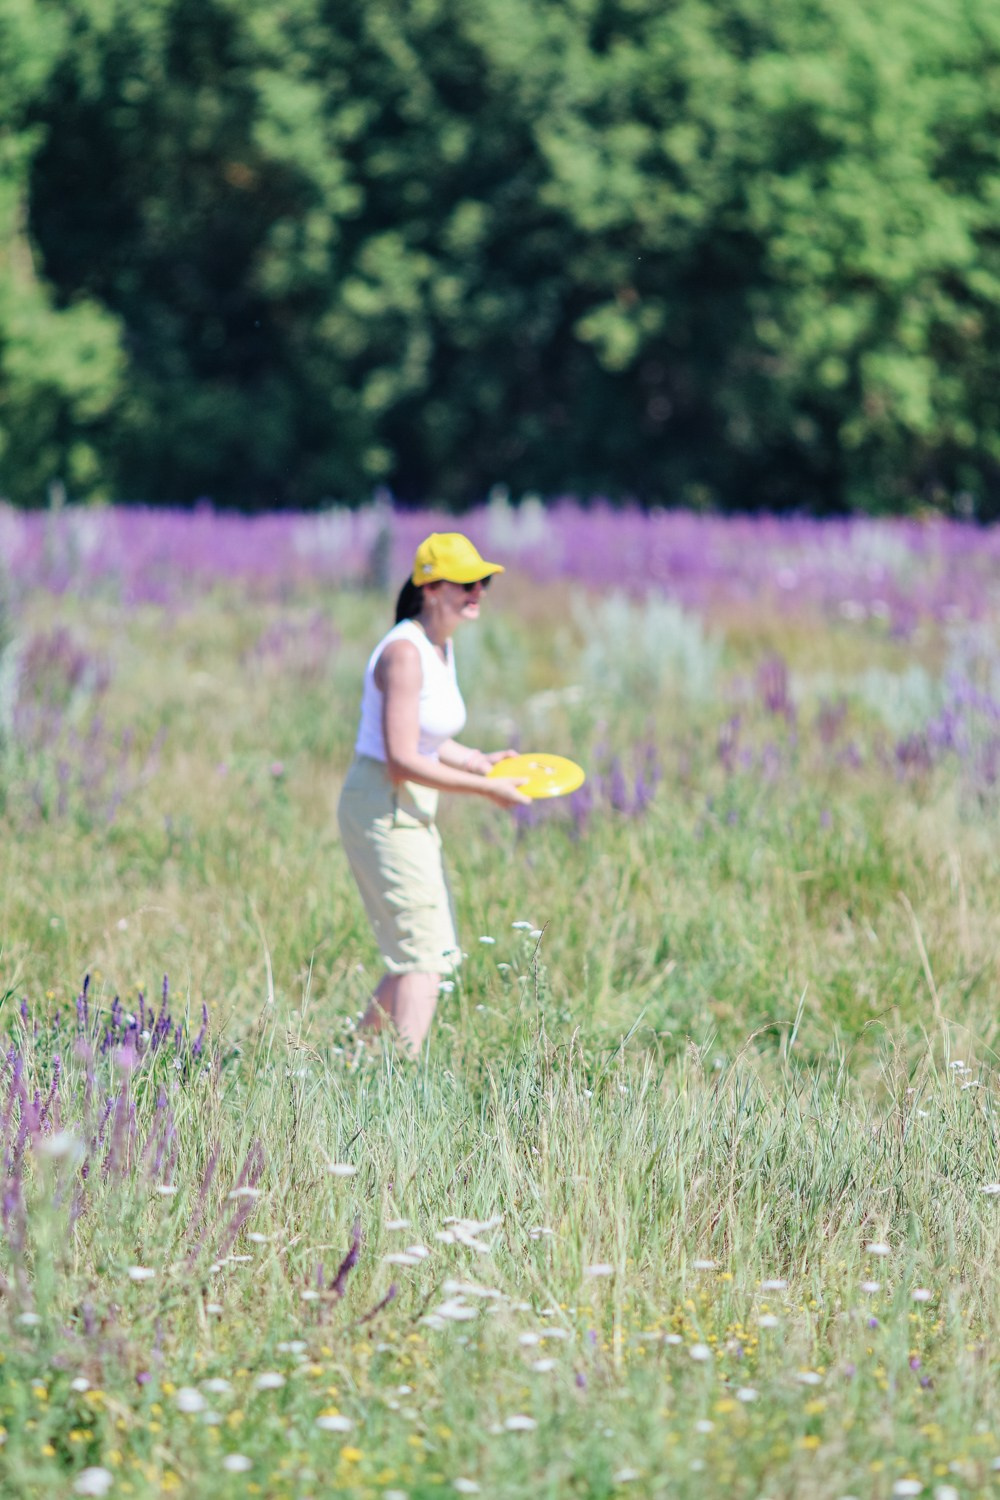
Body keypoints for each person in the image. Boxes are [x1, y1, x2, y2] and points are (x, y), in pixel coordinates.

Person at [337, 532, 531, 1054]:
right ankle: (402, 1077)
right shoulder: (405, 653)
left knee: (425, 950)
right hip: (381, 806)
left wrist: (475, 761)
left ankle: (350, 1061)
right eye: (466, 583)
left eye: (483, 582)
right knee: (423, 955)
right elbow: (402, 758)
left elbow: (427, 736)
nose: (478, 592)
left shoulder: (440, 647)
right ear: (430, 588)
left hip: (407, 808)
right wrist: (485, 789)